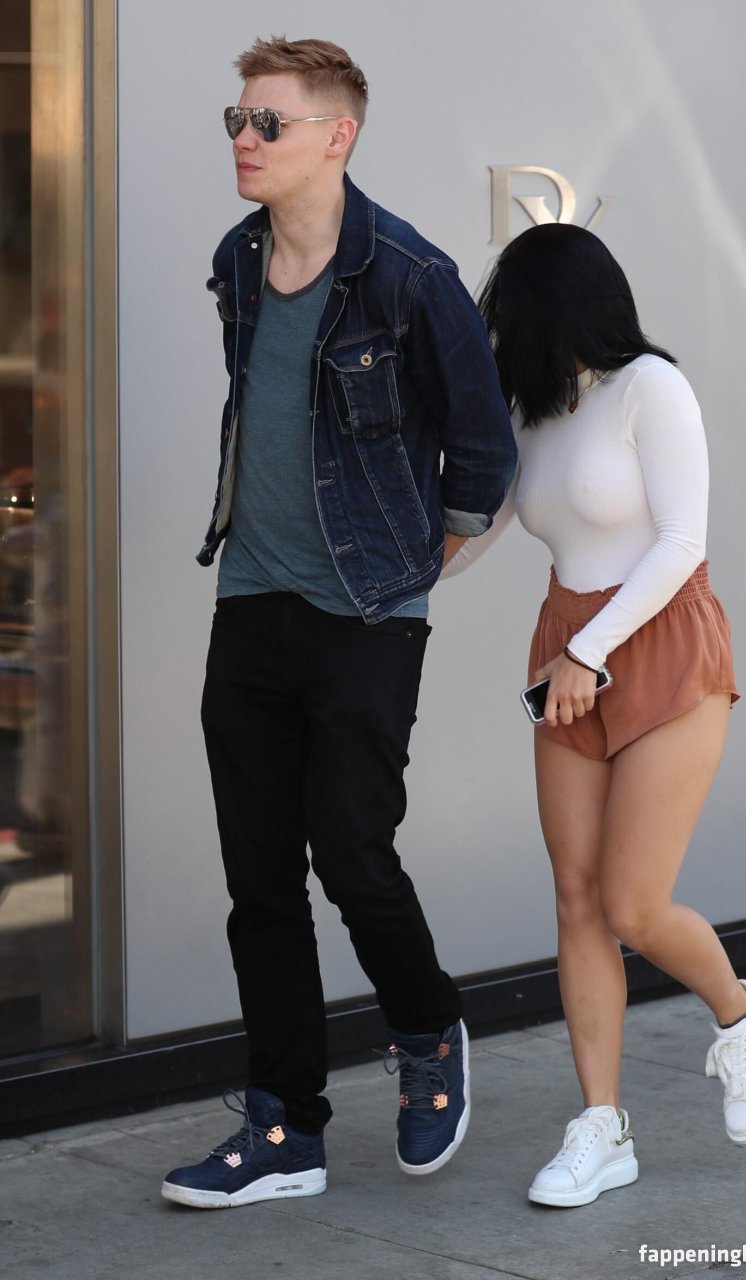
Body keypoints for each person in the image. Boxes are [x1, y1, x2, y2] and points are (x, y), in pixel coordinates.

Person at [161, 35, 516, 1210]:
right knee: (259, 877)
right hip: (249, 598)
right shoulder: (239, 257)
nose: (244, 140)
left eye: (268, 122)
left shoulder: (410, 276)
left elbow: (484, 453)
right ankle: (284, 1128)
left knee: (352, 853)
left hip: (365, 612)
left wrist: (410, 569)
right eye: (237, 119)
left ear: (336, 136)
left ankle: (426, 1028)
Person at [444, 222, 746, 1208]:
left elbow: (681, 541)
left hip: (659, 647)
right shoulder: (533, 413)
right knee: (576, 900)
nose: (501, 332)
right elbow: (476, 530)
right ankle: (602, 1124)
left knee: (633, 903)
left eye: (511, 313)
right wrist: (386, 579)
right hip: (567, 652)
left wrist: (589, 651)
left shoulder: (652, 387)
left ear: (560, 308)